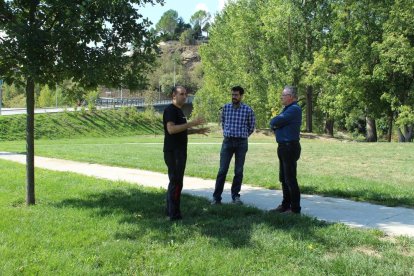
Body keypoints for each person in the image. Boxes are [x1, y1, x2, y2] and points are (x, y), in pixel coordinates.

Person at [163, 86, 208, 221]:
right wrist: (191, 123)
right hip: (173, 152)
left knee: (176, 182)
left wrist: (196, 131)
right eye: (181, 94)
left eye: (185, 94)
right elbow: (171, 129)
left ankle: (170, 211)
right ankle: (174, 215)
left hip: (180, 152)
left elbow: (181, 130)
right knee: (176, 183)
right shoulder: (170, 110)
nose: (184, 96)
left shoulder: (179, 111)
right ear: (174, 95)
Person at [211, 86, 256, 205]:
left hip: (241, 143)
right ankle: (216, 198)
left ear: (241, 96)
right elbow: (224, 123)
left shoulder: (248, 110)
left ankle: (235, 196)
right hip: (228, 141)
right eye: (232, 95)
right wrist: (228, 132)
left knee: (239, 171)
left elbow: (251, 127)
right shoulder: (226, 108)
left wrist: (243, 135)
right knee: (222, 170)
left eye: (236, 95)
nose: (234, 97)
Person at [269, 85, 302, 214]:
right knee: (284, 178)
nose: (281, 97)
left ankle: (294, 209)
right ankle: (285, 205)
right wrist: (276, 124)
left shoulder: (294, 109)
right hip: (283, 146)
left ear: (291, 97)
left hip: (290, 147)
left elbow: (277, 120)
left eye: (283, 95)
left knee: (290, 179)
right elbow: (277, 123)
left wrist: (275, 124)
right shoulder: (287, 109)